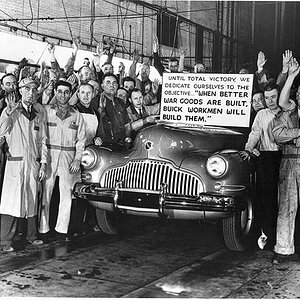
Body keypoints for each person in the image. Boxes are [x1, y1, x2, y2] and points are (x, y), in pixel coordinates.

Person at [0, 77, 47, 252]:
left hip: (33, 164)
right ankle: (5, 241)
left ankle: (32, 236)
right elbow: (1, 131)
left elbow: (43, 140)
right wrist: (8, 113)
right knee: (11, 201)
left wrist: (43, 164)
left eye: (34, 89)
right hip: (16, 164)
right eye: (27, 89)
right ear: (20, 91)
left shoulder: (39, 113)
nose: (31, 92)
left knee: (32, 199)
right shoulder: (11, 110)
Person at [39, 80, 86, 241]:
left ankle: (61, 229)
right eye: (59, 91)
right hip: (50, 155)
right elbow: (42, 138)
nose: (63, 95)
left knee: (66, 194)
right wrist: (43, 160)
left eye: (66, 92)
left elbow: (81, 140)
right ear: (55, 92)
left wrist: (77, 159)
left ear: (70, 94)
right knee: (46, 192)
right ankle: (43, 229)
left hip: (68, 156)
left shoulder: (76, 114)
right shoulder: (46, 111)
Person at [240, 82, 282, 251]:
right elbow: (255, 133)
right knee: (266, 199)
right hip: (266, 158)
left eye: (273, 97)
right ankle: (268, 237)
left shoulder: (287, 112)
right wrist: (248, 149)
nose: (270, 101)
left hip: (284, 157)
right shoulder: (261, 114)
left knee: (283, 199)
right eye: (267, 98)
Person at [271, 58, 300, 264]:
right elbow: (278, 135)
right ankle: (283, 249)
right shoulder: (289, 113)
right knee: (287, 206)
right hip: (291, 161)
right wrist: (291, 76)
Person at [99, 73, 131, 148]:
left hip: (121, 145)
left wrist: (127, 138)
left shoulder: (120, 102)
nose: (111, 85)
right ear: (102, 86)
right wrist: (101, 109)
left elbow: (127, 124)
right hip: (104, 146)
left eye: (114, 83)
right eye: (108, 83)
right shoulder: (96, 101)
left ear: (117, 86)